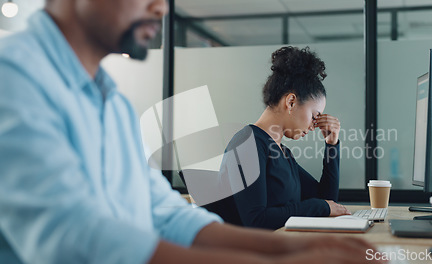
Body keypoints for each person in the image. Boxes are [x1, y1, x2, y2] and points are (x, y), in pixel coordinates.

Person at [0, 0, 383, 264]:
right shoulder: (13, 78)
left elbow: (165, 214)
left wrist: (292, 252)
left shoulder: (110, 102)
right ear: (290, 101)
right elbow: (76, 237)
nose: (161, 7)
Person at [216, 46, 350, 230]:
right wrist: (318, 207)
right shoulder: (247, 143)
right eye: (314, 116)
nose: (313, 126)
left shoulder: (281, 151)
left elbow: (327, 202)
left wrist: (332, 145)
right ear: (291, 102)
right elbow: (257, 221)